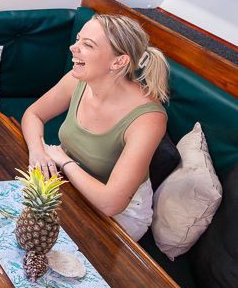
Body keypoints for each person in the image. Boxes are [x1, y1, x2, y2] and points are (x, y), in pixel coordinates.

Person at [21, 14, 169, 240]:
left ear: (118, 61)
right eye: (78, 39)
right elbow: (33, 114)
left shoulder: (149, 119)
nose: (73, 47)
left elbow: (111, 203)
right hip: (70, 185)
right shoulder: (78, 79)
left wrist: (64, 160)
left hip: (120, 215)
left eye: (87, 45)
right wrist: (37, 151)